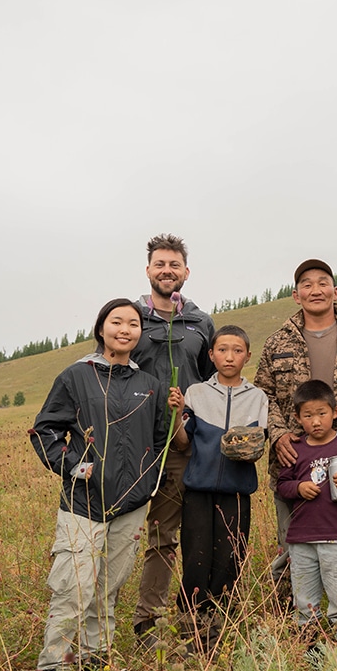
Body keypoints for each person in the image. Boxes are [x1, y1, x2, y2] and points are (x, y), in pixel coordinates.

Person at [29, 299, 174, 671]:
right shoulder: (77, 376)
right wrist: (75, 466)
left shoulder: (150, 385)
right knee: (74, 587)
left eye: (132, 324)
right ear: (101, 328)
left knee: (107, 588)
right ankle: (51, 669)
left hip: (131, 504)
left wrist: (145, 485)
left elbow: (160, 440)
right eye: (116, 322)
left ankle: (97, 658)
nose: (124, 330)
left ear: (140, 334)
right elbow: (46, 430)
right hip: (84, 503)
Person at [254, 259, 337, 595]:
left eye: (323, 283)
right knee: (292, 544)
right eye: (307, 284)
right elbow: (262, 394)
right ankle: (291, 625)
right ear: (296, 295)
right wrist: (278, 434)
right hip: (296, 461)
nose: (315, 290)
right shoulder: (278, 343)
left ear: (335, 291)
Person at [128, 234, 216, 644]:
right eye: (159, 264)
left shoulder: (201, 323)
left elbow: (210, 380)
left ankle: (152, 621)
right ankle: (98, 620)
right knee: (115, 531)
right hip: (133, 444)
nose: (167, 270)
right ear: (148, 270)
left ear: (186, 272)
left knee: (167, 533)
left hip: (182, 444)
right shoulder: (130, 319)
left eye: (174, 265)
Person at [169, 325, 268, 652]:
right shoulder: (196, 393)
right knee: (195, 559)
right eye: (222, 350)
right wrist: (175, 417)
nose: (229, 357)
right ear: (211, 355)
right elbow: (183, 443)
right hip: (198, 491)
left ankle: (217, 634)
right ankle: (189, 633)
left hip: (237, 493)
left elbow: (258, 446)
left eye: (237, 350)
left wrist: (249, 445)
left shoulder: (258, 398)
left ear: (247, 356)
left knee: (229, 561)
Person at [276, 380, 337, 635]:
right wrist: (298, 487)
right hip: (301, 539)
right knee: (304, 599)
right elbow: (282, 484)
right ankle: (308, 652)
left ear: (336, 411)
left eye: (322, 413)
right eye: (308, 416)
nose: (316, 421)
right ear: (297, 418)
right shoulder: (295, 448)